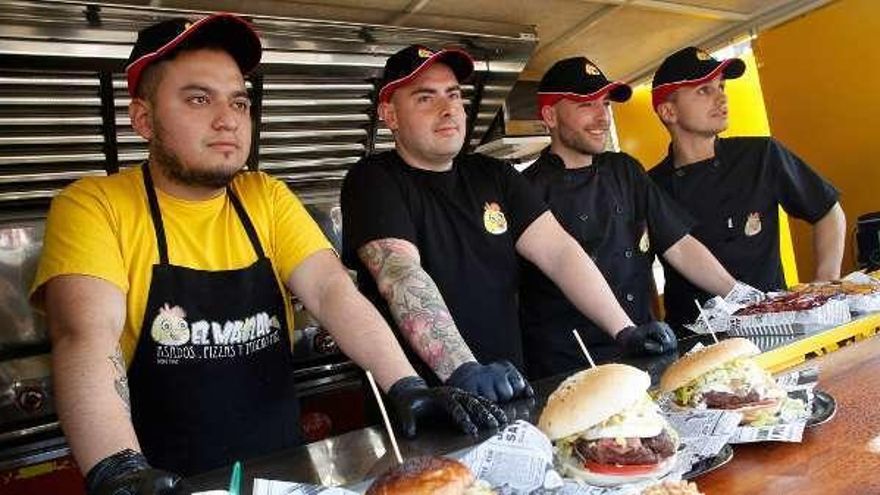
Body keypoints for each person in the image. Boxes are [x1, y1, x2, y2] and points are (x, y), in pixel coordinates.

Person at [30, 15, 505, 494]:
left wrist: (406, 385)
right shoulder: (94, 206)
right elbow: (86, 336)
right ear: (143, 120)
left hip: (285, 473)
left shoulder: (265, 197)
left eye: (238, 101)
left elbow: (331, 291)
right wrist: (119, 468)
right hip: (169, 482)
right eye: (198, 99)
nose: (227, 118)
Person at [341, 45, 677, 394]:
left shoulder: (493, 174)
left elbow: (558, 251)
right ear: (390, 115)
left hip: (509, 387)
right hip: (434, 401)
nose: (448, 109)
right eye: (425, 98)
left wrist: (624, 329)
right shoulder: (373, 181)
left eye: (453, 95)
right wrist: (463, 371)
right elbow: (399, 273)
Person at [520, 57, 758, 378]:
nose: (602, 116)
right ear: (549, 115)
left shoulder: (624, 170)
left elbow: (680, 245)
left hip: (642, 349)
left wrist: (743, 297)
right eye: (586, 104)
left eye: (604, 104)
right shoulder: (526, 189)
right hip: (570, 365)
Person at [649, 46, 846, 328]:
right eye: (704, 90)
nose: (721, 97)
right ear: (668, 111)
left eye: (721, 86)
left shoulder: (761, 154)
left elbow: (827, 210)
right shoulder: (650, 186)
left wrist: (825, 282)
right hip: (698, 341)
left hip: (777, 324)